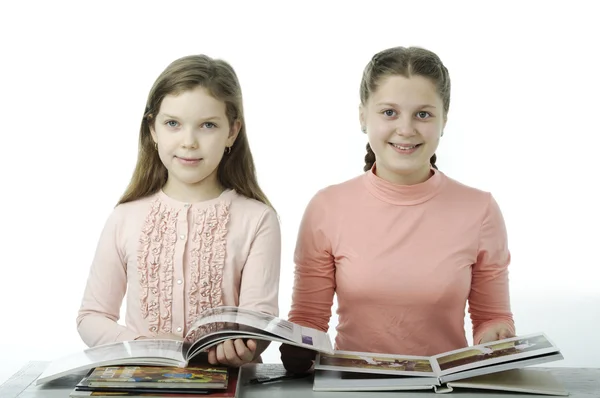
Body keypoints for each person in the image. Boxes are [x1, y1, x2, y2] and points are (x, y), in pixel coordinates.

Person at [280, 46, 515, 373]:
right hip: (353, 387)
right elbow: (308, 321)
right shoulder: (327, 208)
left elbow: (492, 318)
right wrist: (296, 348)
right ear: (363, 116)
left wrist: (497, 339)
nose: (406, 129)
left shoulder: (480, 210)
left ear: (444, 120)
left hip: (446, 389)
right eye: (389, 112)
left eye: (423, 114)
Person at [76, 54, 281, 367]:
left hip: (228, 383)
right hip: (142, 382)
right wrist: (146, 346)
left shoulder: (257, 219)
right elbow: (92, 316)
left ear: (232, 132)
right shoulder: (125, 217)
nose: (189, 142)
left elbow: (259, 320)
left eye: (208, 125)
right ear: (153, 129)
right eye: (173, 123)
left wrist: (245, 345)